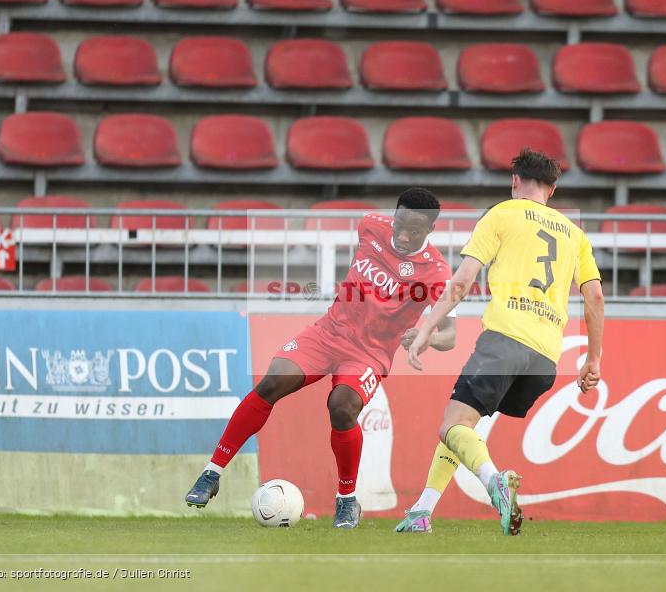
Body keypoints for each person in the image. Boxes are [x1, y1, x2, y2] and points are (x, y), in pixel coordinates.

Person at [186, 188, 457, 529]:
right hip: (328, 332)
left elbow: (451, 336)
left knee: (342, 407)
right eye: (399, 224)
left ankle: (346, 500)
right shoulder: (371, 225)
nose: (402, 235)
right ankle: (212, 474)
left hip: (368, 353)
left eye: (414, 231)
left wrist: (427, 336)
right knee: (272, 381)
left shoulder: (436, 272)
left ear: (430, 230)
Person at [396, 149, 605, 536]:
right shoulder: (575, 234)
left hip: (504, 341)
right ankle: (422, 511)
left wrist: (428, 328)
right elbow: (594, 297)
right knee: (464, 426)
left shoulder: (501, 214)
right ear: (552, 189)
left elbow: (462, 280)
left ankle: (495, 482)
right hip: (545, 359)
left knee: (452, 426)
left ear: (514, 181)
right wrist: (593, 360)